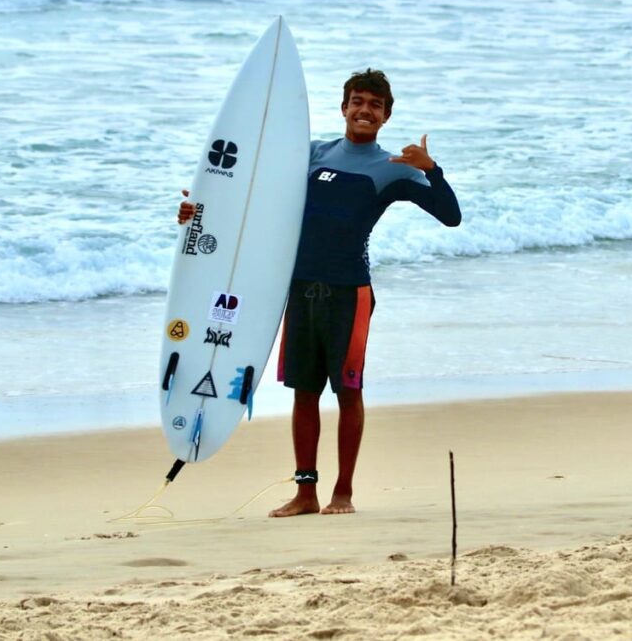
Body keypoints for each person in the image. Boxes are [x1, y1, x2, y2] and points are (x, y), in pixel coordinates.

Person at [178, 69, 461, 517]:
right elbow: (252, 196)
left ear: (386, 117)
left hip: (350, 293)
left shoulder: (392, 171)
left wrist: (432, 170)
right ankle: (305, 493)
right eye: (358, 101)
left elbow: (451, 217)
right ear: (344, 107)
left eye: (375, 105)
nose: (365, 110)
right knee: (304, 392)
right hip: (299, 288)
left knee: (348, 393)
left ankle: (343, 493)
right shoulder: (310, 156)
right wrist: (199, 211)